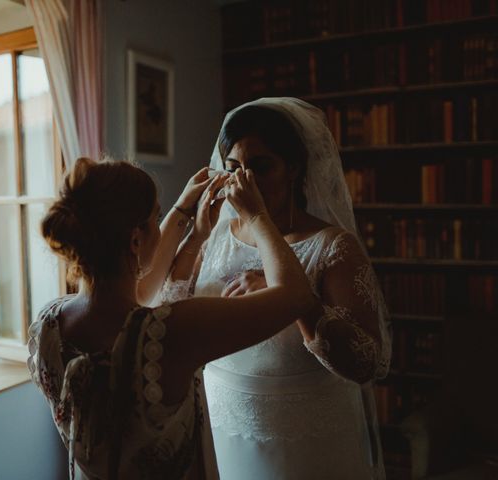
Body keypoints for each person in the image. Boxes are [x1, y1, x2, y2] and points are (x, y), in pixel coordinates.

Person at [27, 156, 319, 479]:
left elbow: (136, 293)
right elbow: (296, 296)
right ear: (135, 239)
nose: (161, 223)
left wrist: (189, 225)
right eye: (157, 216)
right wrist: (258, 215)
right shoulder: (174, 332)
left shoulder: (48, 325)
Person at [162, 98, 393, 479]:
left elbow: (366, 362)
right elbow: (169, 310)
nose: (244, 181)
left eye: (261, 166)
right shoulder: (216, 235)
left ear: (294, 168)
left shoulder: (331, 246)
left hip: (304, 445)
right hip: (224, 430)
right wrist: (192, 236)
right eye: (234, 168)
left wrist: (290, 298)